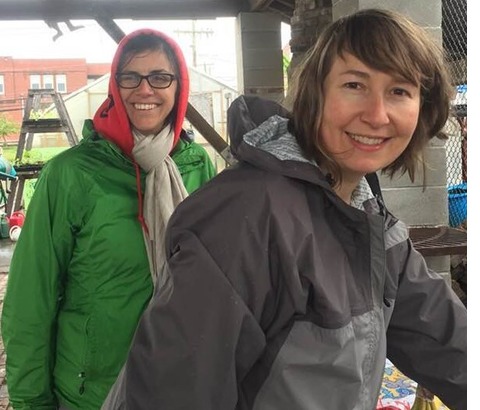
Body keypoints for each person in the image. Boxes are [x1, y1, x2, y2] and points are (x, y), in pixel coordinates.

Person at [103, 9, 467, 410]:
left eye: (399, 91)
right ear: (315, 96)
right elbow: (168, 394)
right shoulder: (247, 218)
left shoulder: (365, 214)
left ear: (423, 107)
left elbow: (449, 343)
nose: (377, 114)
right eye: (354, 85)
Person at [1, 28, 216, 410]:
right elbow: (30, 301)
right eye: (130, 77)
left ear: (178, 86)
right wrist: (32, 402)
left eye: (160, 77)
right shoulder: (72, 175)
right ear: (115, 87)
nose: (145, 90)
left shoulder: (196, 167)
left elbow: (222, 284)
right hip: (93, 396)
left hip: (183, 388)